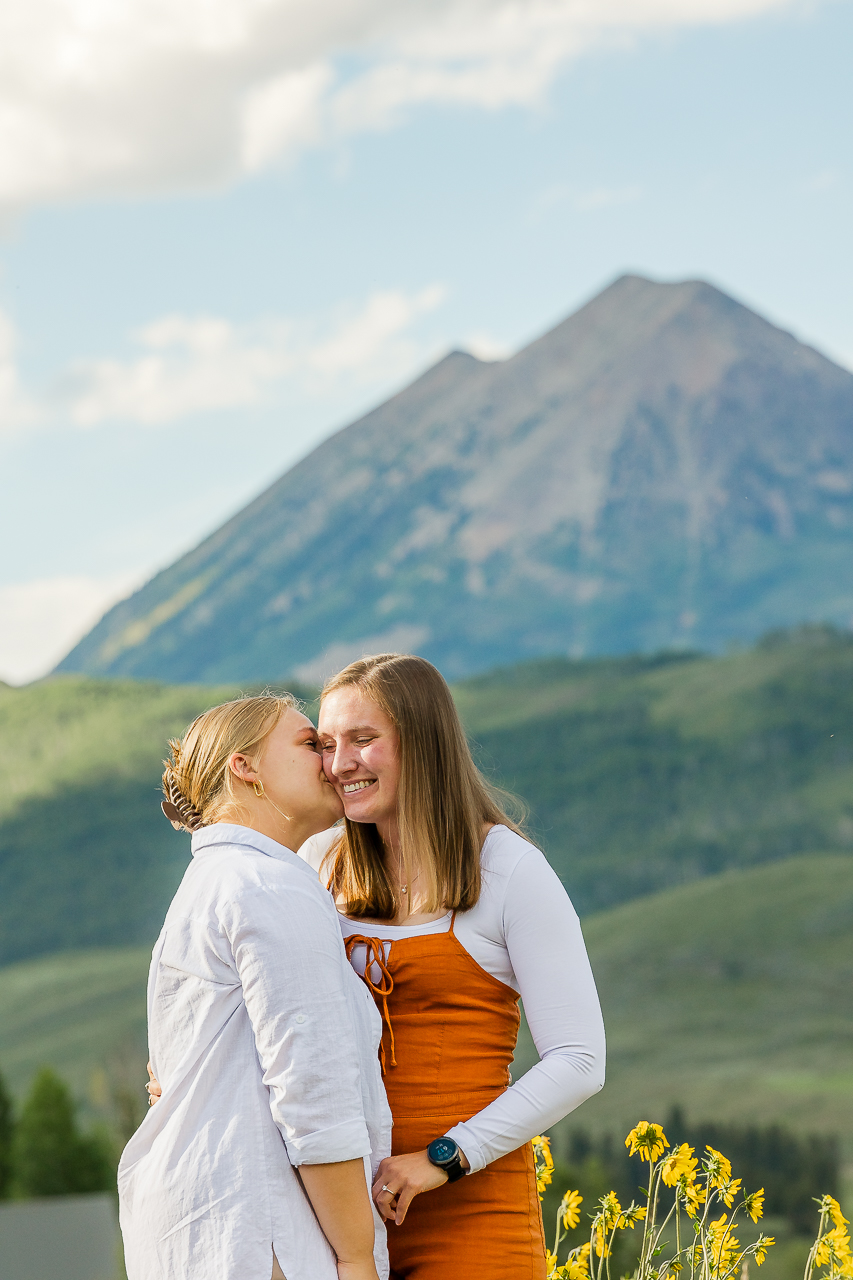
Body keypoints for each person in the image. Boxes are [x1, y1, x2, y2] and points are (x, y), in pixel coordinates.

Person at [302, 653, 606, 1280]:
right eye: (327, 745)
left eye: (364, 739)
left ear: (423, 743)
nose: (340, 765)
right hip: (332, 1211)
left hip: (469, 1211)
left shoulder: (510, 871)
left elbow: (579, 1060)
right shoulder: (317, 861)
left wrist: (445, 1156)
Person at [118, 692, 391, 1280]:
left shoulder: (210, 883)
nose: (332, 761)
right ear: (245, 767)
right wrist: (355, 1255)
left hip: (198, 1230)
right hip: (261, 1231)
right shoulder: (269, 887)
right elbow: (311, 1093)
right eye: (309, 744)